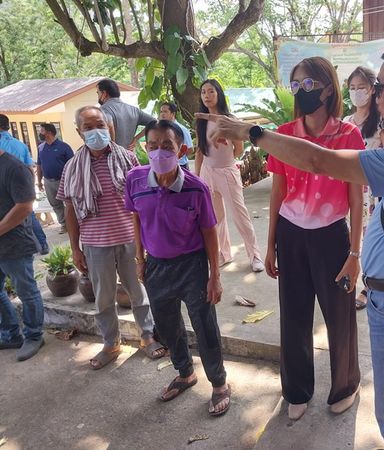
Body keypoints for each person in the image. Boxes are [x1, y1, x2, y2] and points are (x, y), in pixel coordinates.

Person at [198, 37, 384, 450]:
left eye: (382, 87)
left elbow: (321, 161)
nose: (374, 96)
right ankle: (299, 391)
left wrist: (251, 132)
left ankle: (346, 390)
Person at [199, 57, 365, 421]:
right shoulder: (283, 134)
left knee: (339, 317)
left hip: (332, 236)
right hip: (291, 234)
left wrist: (355, 252)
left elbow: (356, 198)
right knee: (293, 315)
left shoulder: (348, 135)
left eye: (309, 85)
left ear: (327, 88)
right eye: (295, 85)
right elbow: (278, 191)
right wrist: (270, 243)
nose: (301, 92)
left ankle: (346, 385)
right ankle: (296, 389)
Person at [125, 119, 231, 416]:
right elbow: (136, 217)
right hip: (156, 266)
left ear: (181, 149)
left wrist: (215, 277)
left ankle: (219, 383)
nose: (160, 152)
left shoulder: (196, 188)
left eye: (167, 146)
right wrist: (140, 258)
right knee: (168, 326)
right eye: (153, 146)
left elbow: (210, 232)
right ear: (145, 149)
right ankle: (185, 372)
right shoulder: (134, 179)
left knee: (204, 325)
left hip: (192, 266)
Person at [57, 106, 166, 370]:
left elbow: (142, 200)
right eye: (89, 127)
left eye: (100, 125)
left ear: (110, 127)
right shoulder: (72, 168)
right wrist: (75, 248)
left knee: (138, 291)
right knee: (103, 298)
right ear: (79, 132)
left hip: (130, 239)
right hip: (95, 243)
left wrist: (148, 239)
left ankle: (147, 336)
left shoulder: (128, 159)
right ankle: (111, 343)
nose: (96, 131)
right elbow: (70, 211)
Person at [194, 79, 264, 272]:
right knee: (216, 218)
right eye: (203, 92)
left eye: (211, 92)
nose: (207, 96)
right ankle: (224, 254)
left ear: (219, 94)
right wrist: (198, 176)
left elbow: (239, 149)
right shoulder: (201, 122)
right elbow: (200, 151)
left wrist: (225, 163)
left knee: (240, 216)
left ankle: (255, 255)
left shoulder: (230, 119)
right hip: (207, 173)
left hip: (228, 173)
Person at [343, 66, 384, 310]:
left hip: (373, 191)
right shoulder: (345, 122)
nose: (356, 93)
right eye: (352, 88)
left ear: (372, 89)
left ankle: (367, 286)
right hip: (350, 189)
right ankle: (351, 278)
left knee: (372, 239)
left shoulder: (383, 121)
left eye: (361, 88)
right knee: (350, 236)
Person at [0, 150, 46, 361]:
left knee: (26, 292)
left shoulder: (14, 167)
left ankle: (34, 336)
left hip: (15, 245)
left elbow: (25, 206)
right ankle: (11, 335)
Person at [0, 114, 49, 254]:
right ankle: (43, 244)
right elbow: (30, 167)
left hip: (4, 190)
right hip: (22, 188)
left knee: (13, 220)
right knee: (29, 216)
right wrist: (30, 190)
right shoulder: (20, 144)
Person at [36, 123, 74, 234]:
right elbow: (39, 165)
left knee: (70, 203)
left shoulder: (64, 147)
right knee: (55, 204)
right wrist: (39, 182)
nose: (40, 133)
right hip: (48, 181)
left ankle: (75, 224)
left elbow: (72, 165)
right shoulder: (41, 148)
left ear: (49, 132)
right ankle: (64, 224)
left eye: (42, 131)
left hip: (63, 181)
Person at [97, 78, 154, 150]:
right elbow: (154, 122)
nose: (98, 96)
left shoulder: (102, 111)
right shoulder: (134, 110)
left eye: (98, 93)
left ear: (104, 93)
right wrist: (136, 139)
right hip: (129, 157)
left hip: (110, 157)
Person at [159, 102, 193, 170]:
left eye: (165, 111)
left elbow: (190, 149)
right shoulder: (161, 129)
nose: (162, 114)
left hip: (180, 167)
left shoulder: (182, 129)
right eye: (161, 111)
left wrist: (178, 156)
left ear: (173, 114)